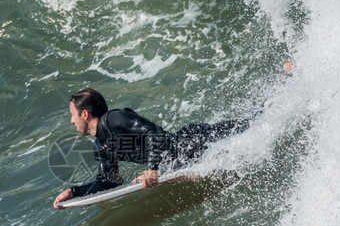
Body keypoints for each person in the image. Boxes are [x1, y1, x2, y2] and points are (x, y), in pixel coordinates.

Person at [52, 88, 252, 209]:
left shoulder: (115, 118)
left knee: (254, 123)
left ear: (85, 114)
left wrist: (152, 169)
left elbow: (153, 133)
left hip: (195, 141)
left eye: (72, 115)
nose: (71, 121)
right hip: (186, 157)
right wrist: (74, 192)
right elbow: (108, 182)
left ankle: (284, 81)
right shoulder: (101, 146)